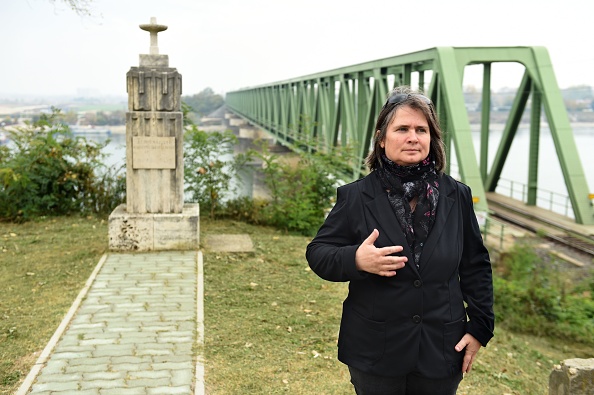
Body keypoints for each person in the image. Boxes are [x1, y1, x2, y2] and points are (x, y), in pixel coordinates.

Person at [305, 86, 494, 395]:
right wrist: (356, 259)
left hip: (441, 348)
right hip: (376, 349)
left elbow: (476, 265)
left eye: (421, 129)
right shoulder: (356, 196)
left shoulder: (456, 195)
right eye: (402, 128)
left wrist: (480, 328)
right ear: (382, 138)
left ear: (432, 139)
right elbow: (318, 253)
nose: (413, 137)